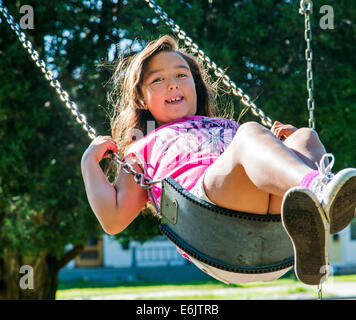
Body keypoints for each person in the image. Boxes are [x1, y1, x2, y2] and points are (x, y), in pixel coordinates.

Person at [81, 35, 356, 286]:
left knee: (305, 136)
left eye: (181, 75)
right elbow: (113, 220)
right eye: (158, 80)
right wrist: (88, 162)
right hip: (209, 222)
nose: (173, 83)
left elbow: (254, 160)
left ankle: (314, 221)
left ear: (195, 85)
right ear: (141, 99)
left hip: (273, 235)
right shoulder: (141, 146)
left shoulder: (224, 125)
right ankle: (320, 189)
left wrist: (291, 150)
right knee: (250, 132)